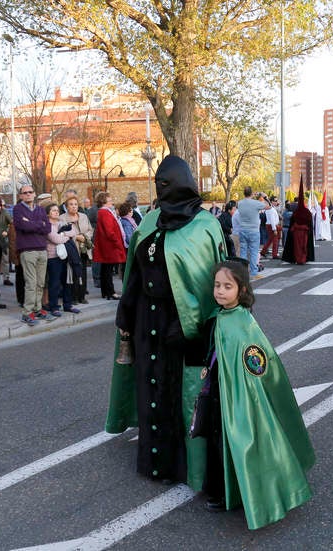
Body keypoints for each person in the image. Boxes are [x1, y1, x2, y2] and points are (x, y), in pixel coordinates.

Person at [106, 154, 226, 488]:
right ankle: (154, 461)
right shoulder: (149, 222)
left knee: (180, 392)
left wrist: (203, 324)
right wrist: (125, 313)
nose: (161, 186)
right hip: (147, 321)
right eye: (158, 181)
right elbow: (134, 275)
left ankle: (183, 464)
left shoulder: (205, 224)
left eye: (166, 181)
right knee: (149, 386)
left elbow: (214, 276)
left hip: (184, 324)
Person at [198, 260, 315, 528]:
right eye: (217, 285)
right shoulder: (217, 317)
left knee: (241, 440)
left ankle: (243, 492)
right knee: (217, 440)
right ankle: (219, 489)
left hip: (238, 396)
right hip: (216, 392)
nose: (220, 291)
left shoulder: (244, 322)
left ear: (241, 290)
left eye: (228, 286)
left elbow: (256, 362)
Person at [13, 185, 55, 326]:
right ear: (21, 196)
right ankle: (27, 312)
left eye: (31, 192)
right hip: (28, 250)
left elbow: (47, 228)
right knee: (31, 283)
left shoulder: (41, 209)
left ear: (34, 194)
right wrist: (39, 224)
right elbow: (22, 226)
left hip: (42, 249)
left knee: (40, 283)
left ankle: (38, 309)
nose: (28, 194)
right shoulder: (18, 209)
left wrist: (31, 223)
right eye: (25, 193)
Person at [43, 203, 76, 317]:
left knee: (66, 281)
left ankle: (68, 305)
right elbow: (55, 239)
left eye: (57, 210)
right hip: (53, 257)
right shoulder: (47, 225)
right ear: (48, 214)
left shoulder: (61, 223)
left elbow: (73, 231)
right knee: (54, 283)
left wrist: (63, 233)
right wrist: (66, 237)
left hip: (65, 256)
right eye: (53, 211)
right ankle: (54, 307)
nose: (56, 212)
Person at [92, 191, 126, 300]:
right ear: (104, 201)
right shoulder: (105, 213)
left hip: (108, 245)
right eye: (109, 199)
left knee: (106, 269)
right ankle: (110, 292)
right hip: (110, 246)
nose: (111, 200)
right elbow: (109, 231)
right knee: (108, 270)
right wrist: (117, 242)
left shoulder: (104, 212)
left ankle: (106, 292)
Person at [59, 196, 93, 306]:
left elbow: (90, 230)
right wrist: (76, 237)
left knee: (82, 272)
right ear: (66, 207)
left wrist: (84, 237)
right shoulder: (62, 218)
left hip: (83, 248)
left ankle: (81, 296)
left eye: (75, 204)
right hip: (71, 249)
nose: (74, 206)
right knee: (72, 273)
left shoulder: (83, 216)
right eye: (71, 204)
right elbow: (62, 233)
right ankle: (73, 297)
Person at [281, 178, 315, 264]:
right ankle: (303, 259)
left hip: (296, 233)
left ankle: (297, 259)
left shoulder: (295, 213)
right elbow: (310, 224)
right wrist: (310, 232)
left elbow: (292, 223)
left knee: (297, 246)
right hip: (304, 233)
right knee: (304, 246)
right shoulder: (307, 212)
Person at [236, 187, 265, 279]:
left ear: (244, 193)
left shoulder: (239, 203)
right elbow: (268, 206)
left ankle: (244, 272)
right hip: (253, 231)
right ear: (251, 194)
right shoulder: (256, 203)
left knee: (243, 252)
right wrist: (264, 196)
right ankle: (254, 272)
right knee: (254, 252)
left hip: (242, 230)